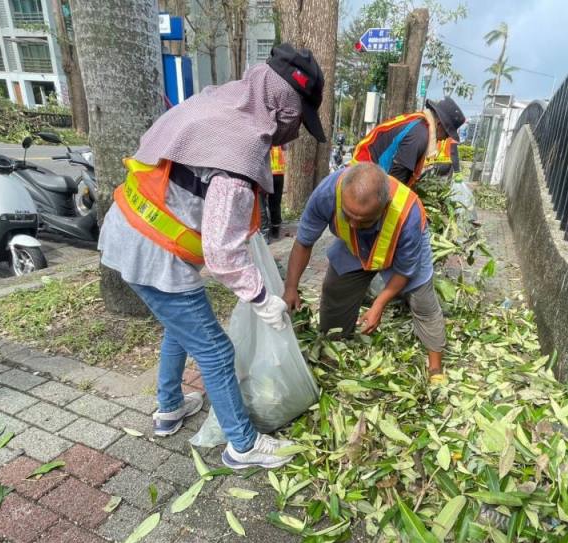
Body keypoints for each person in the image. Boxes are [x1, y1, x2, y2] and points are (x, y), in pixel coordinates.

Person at [97, 43, 326, 470]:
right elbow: (221, 255)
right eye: (299, 118)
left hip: (130, 228)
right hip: (155, 254)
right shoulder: (239, 154)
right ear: (286, 107)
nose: (294, 131)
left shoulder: (217, 103)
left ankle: (169, 408)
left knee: (180, 327)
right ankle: (243, 444)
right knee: (217, 352)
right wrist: (262, 299)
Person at [282, 162, 447, 383]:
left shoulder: (409, 215)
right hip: (353, 247)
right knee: (335, 290)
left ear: (384, 206)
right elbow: (303, 242)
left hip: (397, 245)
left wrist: (379, 304)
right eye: (348, 215)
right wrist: (291, 287)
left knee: (423, 301)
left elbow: (406, 270)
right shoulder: (327, 193)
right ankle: (334, 347)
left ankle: (435, 368)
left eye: (364, 220)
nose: (353, 224)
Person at [350, 97, 466, 187]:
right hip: (362, 181)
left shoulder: (419, 123)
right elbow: (396, 182)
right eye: (447, 134)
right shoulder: (419, 136)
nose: (445, 139)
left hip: (364, 174)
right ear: (440, 125)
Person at [260, 145, 285, 241]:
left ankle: (265, 232)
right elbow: (285, 147)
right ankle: (275, 229)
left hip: (265, 172)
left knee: (261, 201)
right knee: (275, 202)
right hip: (277, 171)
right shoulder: (281, 132)